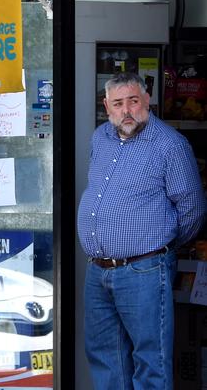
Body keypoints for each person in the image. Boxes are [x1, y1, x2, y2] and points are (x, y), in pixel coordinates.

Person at [78, 72, 206, 389]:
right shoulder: (100, 138)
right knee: (105, 358)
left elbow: (193, 208)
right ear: (106, 106)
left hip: (144, 269)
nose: (127, 111)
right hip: (98, 270)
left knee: (151, 361)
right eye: (118, 103)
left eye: (133, 101)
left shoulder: (170, 145)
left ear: (147, 100)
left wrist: (159, 246)